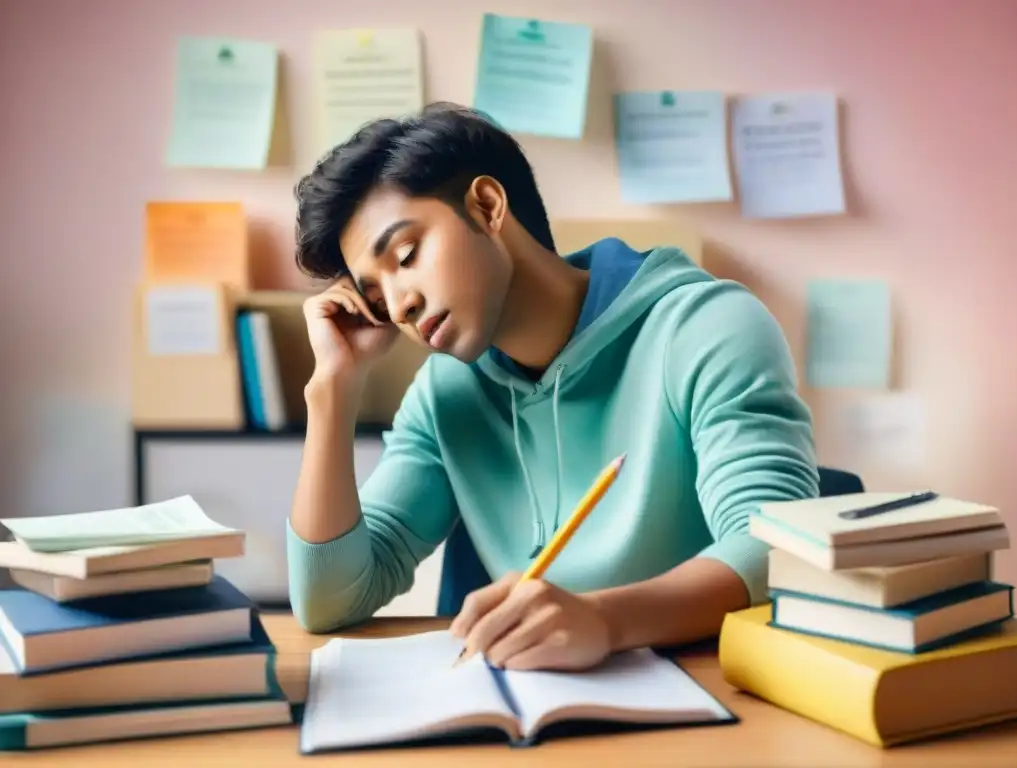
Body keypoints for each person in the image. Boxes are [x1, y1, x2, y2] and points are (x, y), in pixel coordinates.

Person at [287, 102, 819, 672]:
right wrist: (334, 392)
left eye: (407, 255)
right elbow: (329, 602)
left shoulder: (704, 327)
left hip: (707, 702)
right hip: (529, 709)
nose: (398, 305)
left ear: (487, 207)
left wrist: (606, 622)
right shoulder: (444, 393)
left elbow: (777, 548)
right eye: (374, 296)